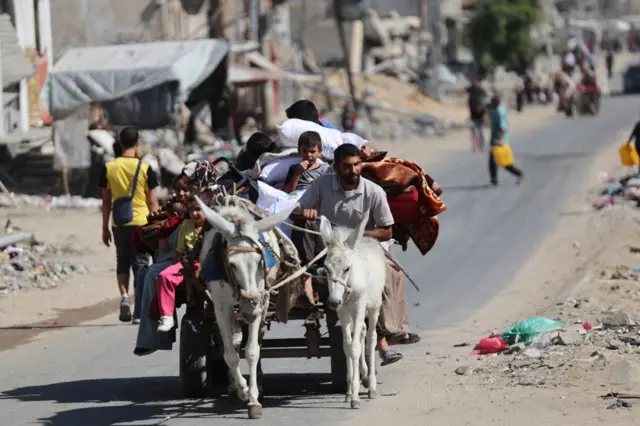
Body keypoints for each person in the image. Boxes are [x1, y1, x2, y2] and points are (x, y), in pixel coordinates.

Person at [291, 143, 420, 366]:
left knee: (389, 275)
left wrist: (355, 236)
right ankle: (307, 282)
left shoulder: (373, 191)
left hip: (365, 248)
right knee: (304, 230)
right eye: (348, 166)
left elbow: (386, 230)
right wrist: (305, 212)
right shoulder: (321, 185)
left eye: (357, 165)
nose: (353, 170)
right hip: (330, 250)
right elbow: (297, 211)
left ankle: (389, 334)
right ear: (337, 167)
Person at [99, 127, 159, 323]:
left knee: (122, 260)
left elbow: (106, 201)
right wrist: (157, 225)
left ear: (120, 143)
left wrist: (104, 227)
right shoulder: (145, 168)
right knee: (140, 264)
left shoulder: (109, 168)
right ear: (137, 143)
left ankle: (124, 297)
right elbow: (152, 202)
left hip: (119, 222)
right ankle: (139, 311)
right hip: (141, 221)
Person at [283, 131, 330, 307]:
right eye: (305, 151)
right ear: (299, 151)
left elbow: (329, 193)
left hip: (318, 207)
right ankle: (306, 281)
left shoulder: (326, 171)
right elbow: (286, 193)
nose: (308, 155)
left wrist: (315, 208)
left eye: (312, 151)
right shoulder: (293, 169)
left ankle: (311, 278)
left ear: (320, 152)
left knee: (309, 222)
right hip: (297, 205)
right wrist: (297, 173)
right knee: (297, 219)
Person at [157, 193, 210, 332]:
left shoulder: (213, 226)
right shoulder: (186, 225)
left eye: (198, 209)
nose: (194, 213)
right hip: (189, 263)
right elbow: (179, 252)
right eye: (191, 209)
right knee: (164, 276)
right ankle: (167, 316)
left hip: (210, 264)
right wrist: (175, 269)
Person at [488, 95, 523, 187]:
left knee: (501, 162)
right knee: (497, 162)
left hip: (499, 142)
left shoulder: (499, 112)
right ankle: (517, 174)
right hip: (498, 141)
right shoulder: (498, 110)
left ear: (495, 103)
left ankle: (495, 181)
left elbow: (503, 128)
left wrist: (499, 140)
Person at [466, 77, 487, 151]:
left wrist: (485, 119)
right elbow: (464, 90)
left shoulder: (481, 91)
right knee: (473, 132)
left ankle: (481, 145)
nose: (474, 83)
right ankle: (475, 146)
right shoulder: (471, 89)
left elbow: (485, 113)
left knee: (481, 132)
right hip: (473, 117)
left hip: (480, 119)